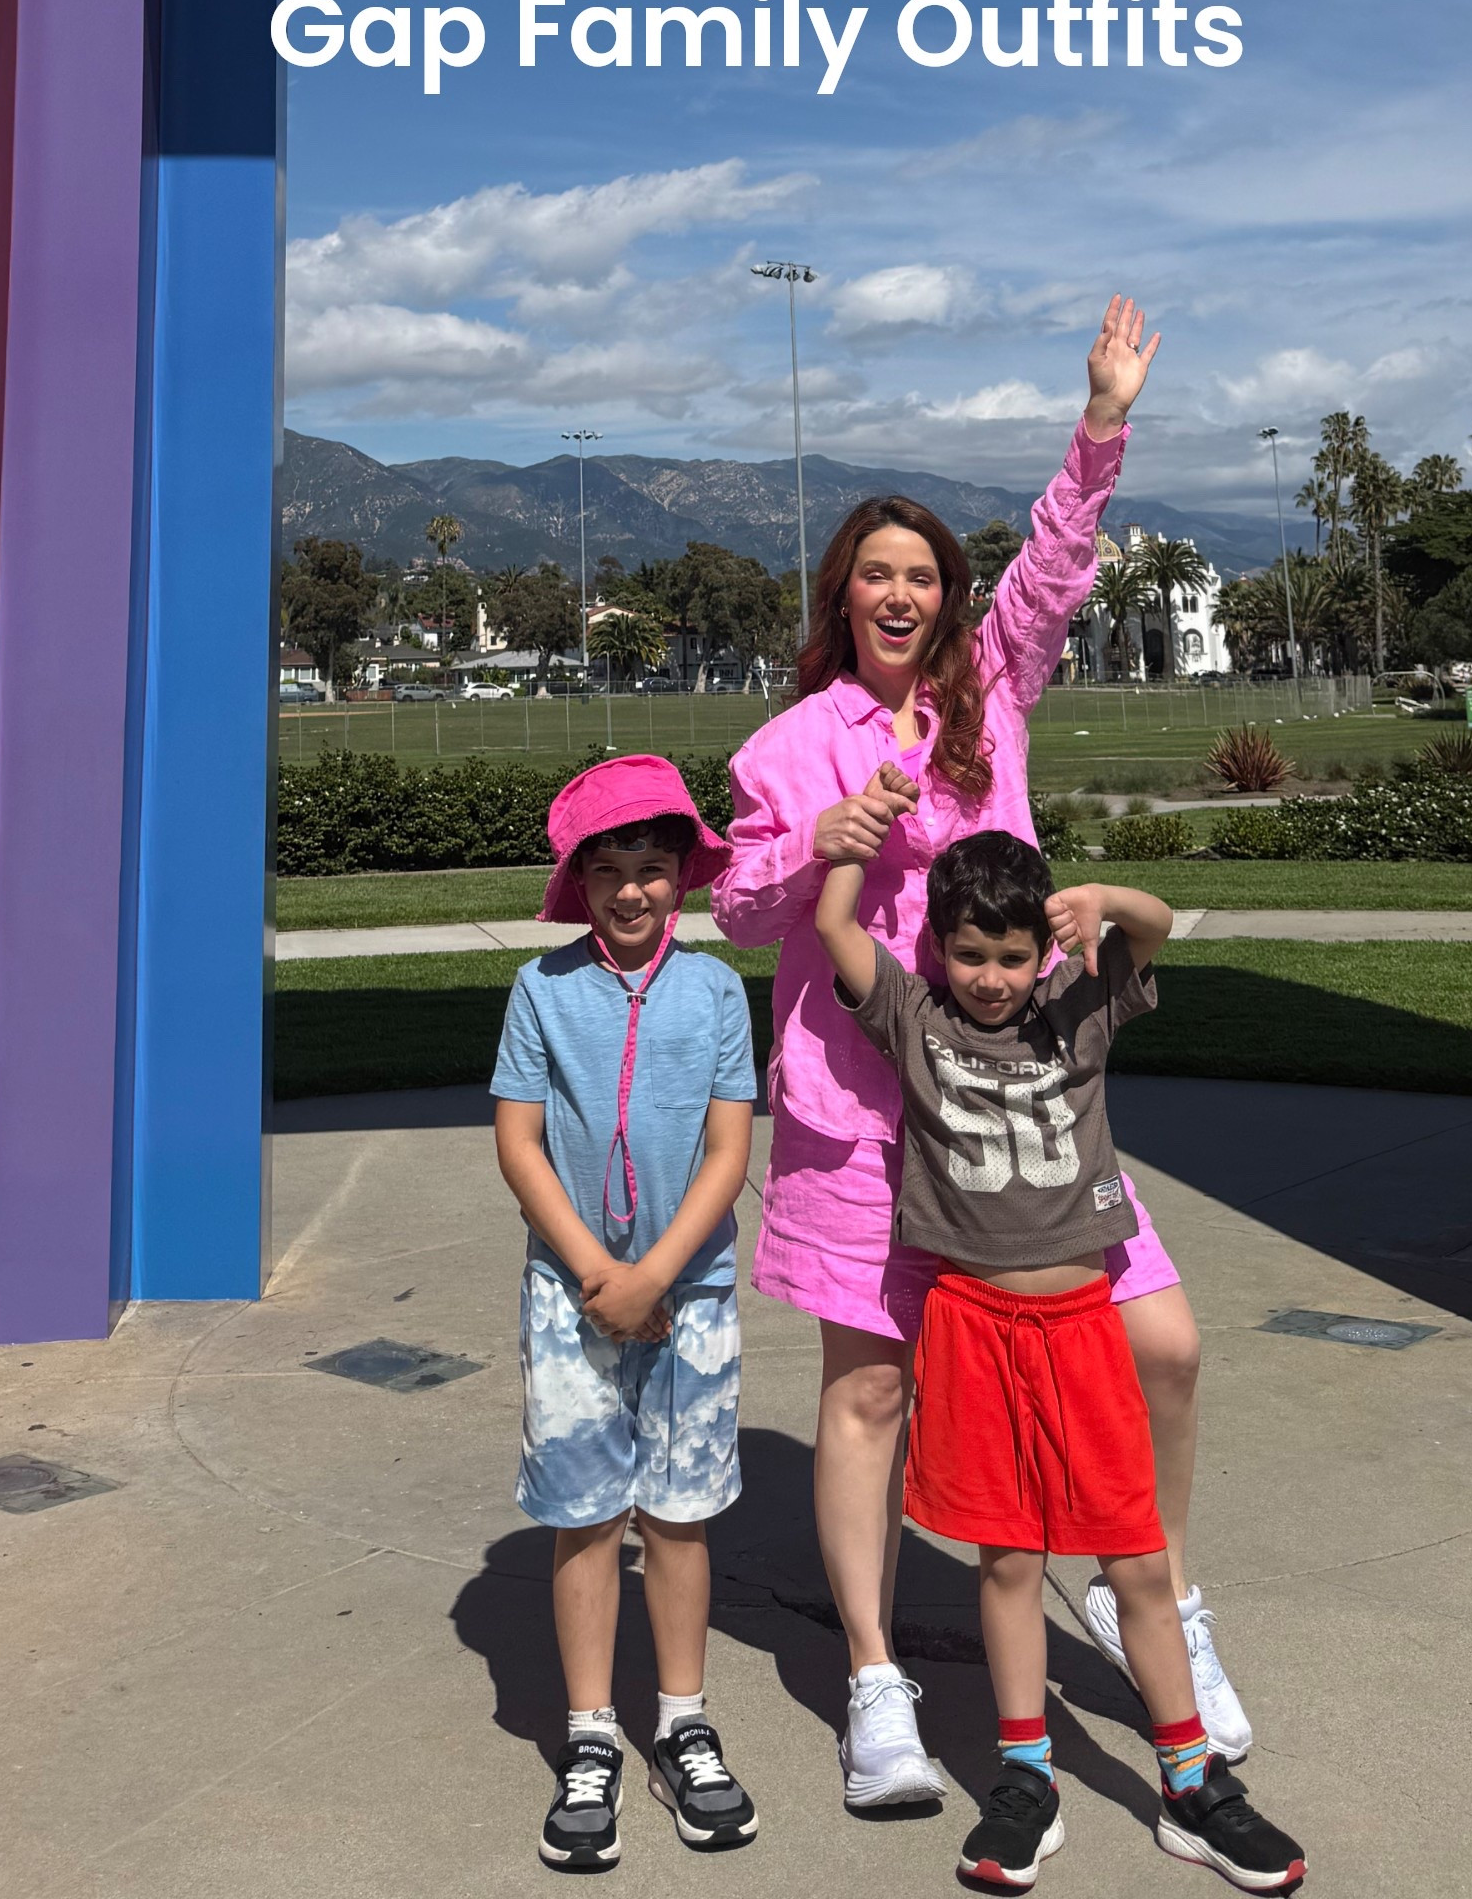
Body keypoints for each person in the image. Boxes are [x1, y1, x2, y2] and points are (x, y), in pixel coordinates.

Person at [711, 297, 1249, 1806]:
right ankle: (877, 1679)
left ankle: (1160, 1596)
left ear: (949, 602)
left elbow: (1057, 568)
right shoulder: (783, 748)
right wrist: (807, 847)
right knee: (871, 1390)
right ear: (843, 594)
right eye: (875, 575)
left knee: (1165, 1345)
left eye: (923, 576)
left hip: (1025, 1106)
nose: (900, 594)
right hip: (856, 1115)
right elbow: (747, 915)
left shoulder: (986, 696)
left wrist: (1099, 424)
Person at [815, 821, 1306, 1892]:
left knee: (1132, 1555)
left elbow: (1160, 927)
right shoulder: (912, 1016)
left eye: (1012, 953)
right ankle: (1025, 1774)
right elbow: (833, 923)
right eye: (970, 953)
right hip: (971, 1322)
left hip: (1083, 1317)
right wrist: (855, 830)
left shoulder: (1079, 1004)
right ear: (937, 946)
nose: (991, 977)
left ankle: (1190, 1781)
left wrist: (1103, 895)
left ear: (1045, 947)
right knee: (1007, 1555)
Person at [492, 755, 760, 1870]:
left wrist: (654, 1274)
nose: (633, 891)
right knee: (587, 1511)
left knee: (681, 1512)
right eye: (610, 870)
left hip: (689, 1293)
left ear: (683, 877)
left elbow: (729, 1147)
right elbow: (518, 1141)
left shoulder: (717, 992)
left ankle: (684, 1718)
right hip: (570, 1296)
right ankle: (592, 1729)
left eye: (653, 868)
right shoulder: (541, 990)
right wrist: (601, 1271)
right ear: (580, 882)